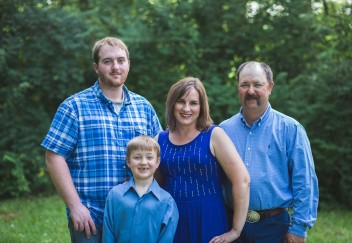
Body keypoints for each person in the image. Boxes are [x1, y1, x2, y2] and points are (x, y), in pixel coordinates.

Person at [41, 37, 162, 242]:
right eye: (108, 61)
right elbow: (54, 157)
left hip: (134, 216)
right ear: (96, 67)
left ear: (128, 64)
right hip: (91, 218)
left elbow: (158, 156)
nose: (116, 67)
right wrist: (75, 207)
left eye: (121, 60)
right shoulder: (74, 107)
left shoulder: (143, 107)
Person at [220, 61, 319, 243]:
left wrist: (299, 228)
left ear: (270, 87)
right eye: (245, 85)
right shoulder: (223, 131)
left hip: (274, 228)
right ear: (238, 88)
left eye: (257, 84)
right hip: (230, 224)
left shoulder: (291, 129)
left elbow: (305, 182)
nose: (251, 91)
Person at [155, 77, 250, 243]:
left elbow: (242, 179)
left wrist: (236, 230)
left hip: (209, 218)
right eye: (181, 102)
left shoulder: (214, 135)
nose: (186, 108)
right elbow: (154, 185)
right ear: (172, 104)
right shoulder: (159, 140)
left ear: (201, 107)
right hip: (171, 219)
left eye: (193, 103)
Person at [102, 135, 179, 243]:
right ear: (128, 161)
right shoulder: (115, 195)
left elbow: (166, 237)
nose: (143, 162)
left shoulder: (167, 201)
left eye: (149, 157)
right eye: (137, 157)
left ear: (157, 162)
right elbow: (108, 234)